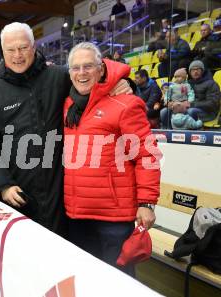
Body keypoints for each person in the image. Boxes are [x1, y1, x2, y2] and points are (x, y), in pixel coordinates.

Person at [0, 22, 132, 237]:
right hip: (19, 195)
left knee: (66, 258)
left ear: (34, 46)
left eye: (23, 48)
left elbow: (90, 74)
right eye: (11, 50)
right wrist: (3, 186)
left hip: (61, 193)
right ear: (3, 52)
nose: (17, 55)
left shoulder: (58, 77)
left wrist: (118, 81)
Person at [63, 42, 161, 276]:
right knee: (85, 280)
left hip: (114, 218)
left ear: (101, 69)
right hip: (76, 215)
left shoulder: (125, 103)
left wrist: (146, 203)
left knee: (116, 283)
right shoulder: (68, 104)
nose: (82, 73)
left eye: (88, 66)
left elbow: (147, 154)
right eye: (75, 68)